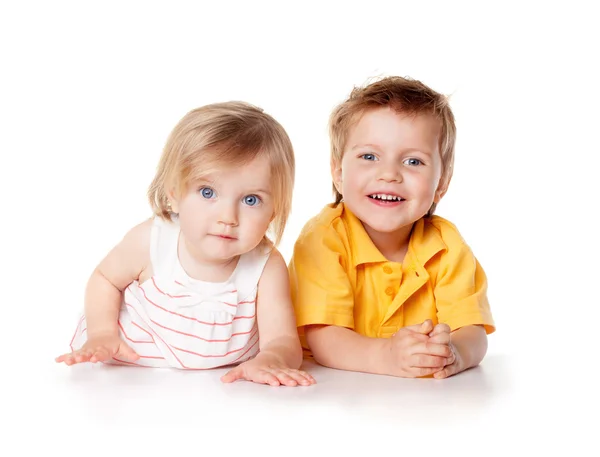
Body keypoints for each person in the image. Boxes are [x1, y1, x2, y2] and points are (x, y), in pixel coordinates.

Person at [56, 101, 315, 387]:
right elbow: (105, 279)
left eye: (250, 200)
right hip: (134, 366)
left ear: (274, 211)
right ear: (175, 194)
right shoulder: (153, 241)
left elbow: (282, 339)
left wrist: (272, 358)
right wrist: (102, 333)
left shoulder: (266, 265)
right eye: (208, 192)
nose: (228, 217)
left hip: (220, 383)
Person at [288, 76, 495, 379]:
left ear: (442, 184)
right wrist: (387, 357)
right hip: (332, 395)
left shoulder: (447, 246)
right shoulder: (324, 239)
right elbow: (324, 337)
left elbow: (473, 330)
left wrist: (454, 352)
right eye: (369, 156)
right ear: (338, 171)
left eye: (413, 161)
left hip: (423, 406)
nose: (389, 174)